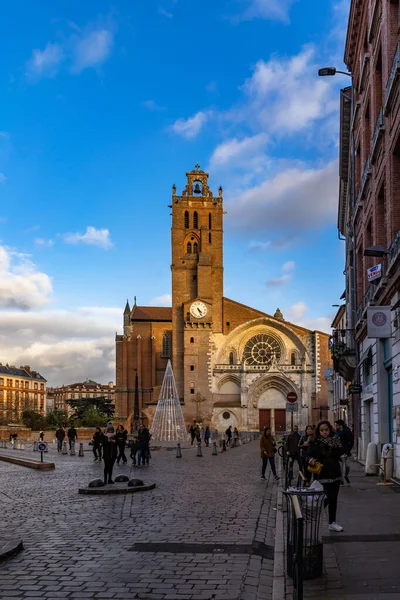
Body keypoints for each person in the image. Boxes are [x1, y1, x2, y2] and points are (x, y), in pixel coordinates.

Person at [307, 420, 344, 532]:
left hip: (335, 473)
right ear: (318, 431)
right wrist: (310, 460)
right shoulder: (315, 442)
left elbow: (340, 453)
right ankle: (311, 516)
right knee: (323, 497)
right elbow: (308, 455)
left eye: (326, 430)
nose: (324, 432)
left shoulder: (336, 440)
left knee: (333, 499)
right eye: (322, 430)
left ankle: (332, 522)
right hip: (322, 474)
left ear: (330, 430)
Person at [335, 419, 354, 484]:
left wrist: (348, 450)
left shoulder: (347, 431)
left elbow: (351, 441)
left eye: (337, 425)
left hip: (347, 451)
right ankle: (341, 480)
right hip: (339, 451)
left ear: (340, 425)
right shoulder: (336, 432)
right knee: (341, 467)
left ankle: (346, 475)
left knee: (347, 466)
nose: (336, 426)